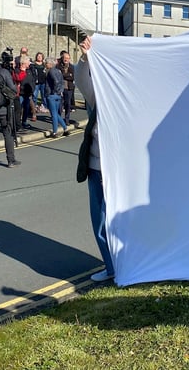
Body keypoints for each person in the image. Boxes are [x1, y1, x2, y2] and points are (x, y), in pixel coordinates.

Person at [76, 36, 114, 282]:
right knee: (103, 221)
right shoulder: (101, 94)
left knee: (110, 221)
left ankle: (120, 266)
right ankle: (113, 267)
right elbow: (82, 80)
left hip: (112, 169)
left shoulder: (126, 97)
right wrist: (84, 58)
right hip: (100, 167)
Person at [44, 57, 69, 138]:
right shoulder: (58, 71)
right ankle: (65, 129)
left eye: (46, 63)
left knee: (53, 114)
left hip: (52, 95)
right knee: (56, 114)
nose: (45, 64)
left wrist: (54, 91)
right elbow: (62, 82)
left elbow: (56, 82)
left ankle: (55, 132)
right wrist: (60, 91)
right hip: (58, 95)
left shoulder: (51, 71)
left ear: (50, 64)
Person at [17, 57, 37, 129]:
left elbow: (32, 81)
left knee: (26, 108)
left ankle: (24, 122)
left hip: (28, 93)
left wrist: (32, 89)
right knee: (19, 108)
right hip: (21, 93)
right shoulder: (18, 70)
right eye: (28, 62)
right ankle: (17, 122)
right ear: (23, 63)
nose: (29, 64)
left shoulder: (29, 71)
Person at [57, 50, 75, 125]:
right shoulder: (58, 66)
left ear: (69, 59)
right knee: (60, 104)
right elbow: (59, 76)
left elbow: (72, 77)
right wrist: (68, 75)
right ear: (62, 58)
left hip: (69, 88)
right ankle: (59, 119)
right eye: (65, 58)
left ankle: (67, 119)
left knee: (67, 104)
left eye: (67, 58)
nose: (66, 59)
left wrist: (64, 75)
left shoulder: (72, 67)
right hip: (61, 88)